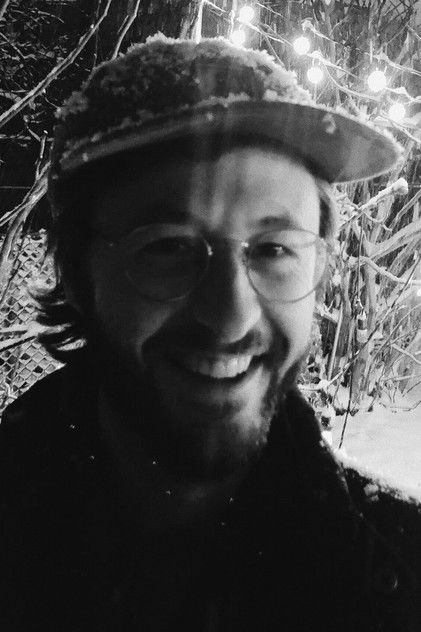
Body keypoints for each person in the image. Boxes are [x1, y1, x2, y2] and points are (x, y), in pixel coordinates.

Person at [1, 35, 420, 632]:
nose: (230, 318)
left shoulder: (403, 578)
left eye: (274, 249)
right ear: (74, 272)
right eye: (168, 247)